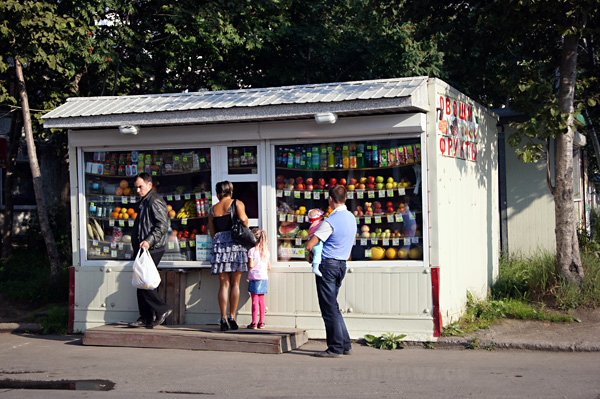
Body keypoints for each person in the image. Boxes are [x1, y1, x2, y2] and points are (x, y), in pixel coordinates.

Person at [305, 185, 357, 357]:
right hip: (342, 264)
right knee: (333, 306)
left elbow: (310, 244)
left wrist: (310, 252)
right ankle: (345, 345)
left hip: (327, 266)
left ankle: (335, 348)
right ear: (346, 199)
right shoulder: (351, 218)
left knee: (328, 309)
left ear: (330, 200)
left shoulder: (330, 221)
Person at [128, 173, 172, 329]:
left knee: (144, 281)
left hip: (152, 247)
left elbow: (162, 226)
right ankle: (145, 318)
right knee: (141, 282)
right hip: (143, 247)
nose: (138, 190)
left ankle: (163, 309)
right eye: (136, 187)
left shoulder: (154, 201)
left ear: (149, 185)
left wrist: (149, 240)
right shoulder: (145, 201)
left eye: (140, 186)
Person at [208, 181, 249, 331]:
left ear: (218, 194)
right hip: (236, 244)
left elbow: (213, 234)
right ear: (231, 192)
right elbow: (244, 221)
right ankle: (232, 316)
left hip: (220, 246)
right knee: (235, 284)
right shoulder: (237, 203)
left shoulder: (213, 210)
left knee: (224, 284)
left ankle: (223, 317)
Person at [246, 228, 270, 329]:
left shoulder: (251, 251)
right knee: (262, 300)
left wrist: (248, 263)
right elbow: (269, 267)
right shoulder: (266, 252)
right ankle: (262, 322)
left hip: (254, 277)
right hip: (263, 277)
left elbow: (251, 265)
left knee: (254, 300)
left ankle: (254, 322)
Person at [307, 208, 324, 277]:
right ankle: (315, 267)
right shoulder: (320, 224)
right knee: (318, 253)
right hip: (316, 240)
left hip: (310, 239)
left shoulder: (312, 225)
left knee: (315, 253)